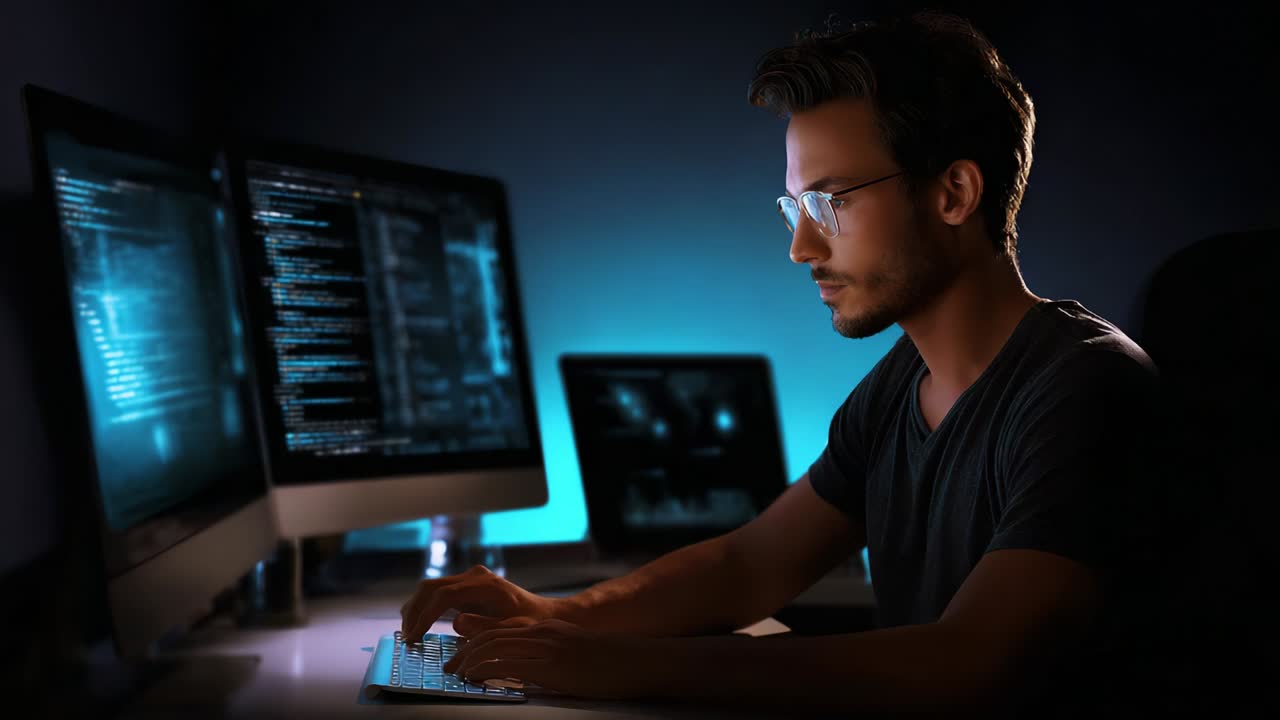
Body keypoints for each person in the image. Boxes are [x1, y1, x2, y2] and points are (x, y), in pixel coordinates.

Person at [399, 11, 1172, 715]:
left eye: (832, 202)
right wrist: (554, 614)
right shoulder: (905, 380)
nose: (801, 247)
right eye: (795, 207)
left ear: (955, 192)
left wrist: (622, 664)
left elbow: (968, 661)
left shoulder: (1085, 388)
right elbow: (750, 563)